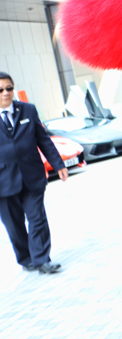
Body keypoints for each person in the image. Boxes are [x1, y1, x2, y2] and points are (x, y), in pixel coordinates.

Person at [0, 72, 68, 274]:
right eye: (0, 89)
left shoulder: (28, 110)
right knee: (14, 226)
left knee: (37, 218)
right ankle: (26, 258)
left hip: (32, 175)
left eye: (9, 88)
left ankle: (42, 259)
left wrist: (59, 164)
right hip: (3, 182)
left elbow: (43, 139)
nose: (5, 93)